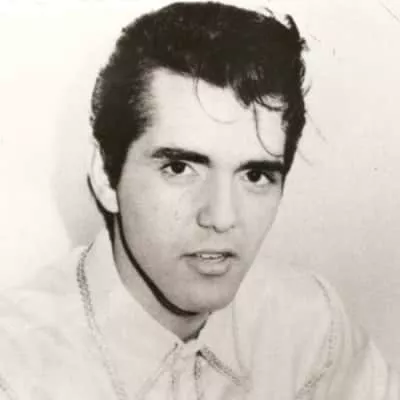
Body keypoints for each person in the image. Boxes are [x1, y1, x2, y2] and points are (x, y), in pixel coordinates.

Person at [0, 1, 398, 399]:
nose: (222, 217)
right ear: (106, 175)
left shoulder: (313, 329)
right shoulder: (16, 370)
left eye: (255, 176)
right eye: (179, 168)